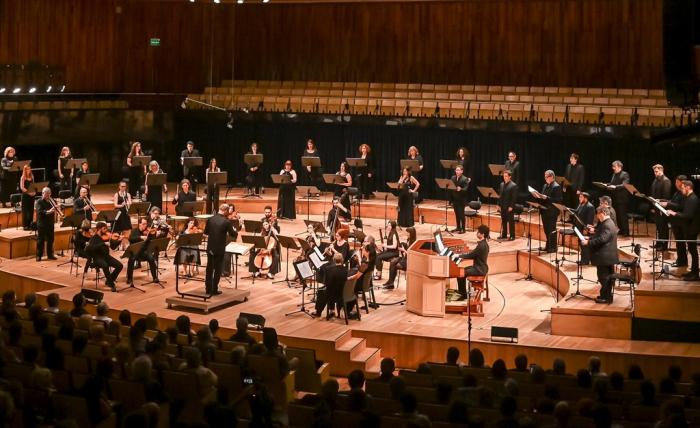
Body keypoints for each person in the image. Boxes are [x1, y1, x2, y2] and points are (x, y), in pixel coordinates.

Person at [581, 207, 619, 304]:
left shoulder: (607, 224)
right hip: (606, 255)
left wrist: (588, 243)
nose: (597, 216)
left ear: (603, 213)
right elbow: (599, 235)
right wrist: (589, 238)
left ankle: (606, 298)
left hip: (605, 256)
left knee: (604, 277)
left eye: (598, 214)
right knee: (604, 276)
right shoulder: (607, 223)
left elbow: (602, 239)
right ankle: (604, 295)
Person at [667, 180, 699, 281]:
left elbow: (688, 216)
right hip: (689, 228)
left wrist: (674, 213)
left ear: (688, 187)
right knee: (691, 250)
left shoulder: (693, 199)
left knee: (693, 252)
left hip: (692, 229)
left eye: (683, 187)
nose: (681, 189)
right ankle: (693, 272)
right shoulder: (689, 198)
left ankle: (695, 274)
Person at [204, 204, 238, 295]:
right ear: (226, 211)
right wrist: (235, 230)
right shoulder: (226, 222)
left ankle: (207, 289)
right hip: (219, 249)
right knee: (218, 269)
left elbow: (206, 232)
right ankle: (214, 289)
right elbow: (233, 234)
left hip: (210, 247)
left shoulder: (210, 219)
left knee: (209, 269)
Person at [456, 225, 490, 299]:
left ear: (482, 234)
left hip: (479, 269)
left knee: (460, 274)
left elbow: (471, 255)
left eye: (478, 232)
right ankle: (462, 292)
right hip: (481, 267)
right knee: (462, 270)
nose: (477, 233)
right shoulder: (484, 244)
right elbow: (474, 254)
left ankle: (463, 295)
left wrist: (459, 256)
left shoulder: (481, 246)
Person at [87, 222, 123, 291]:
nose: (106, 230)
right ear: (99, 229)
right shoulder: (94, 238)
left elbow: (113, 247)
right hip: (98, 258)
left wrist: (119, 241)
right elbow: (91, 248)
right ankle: (111, 284)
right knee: (105, 265)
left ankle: (109, 280)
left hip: (106, 257)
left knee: (120, 265)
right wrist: (103, 244)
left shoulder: (107, 236)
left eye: (106, 228)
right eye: (104, 229)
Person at [662, 175, 688, 267]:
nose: (675, 184)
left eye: (677, 182)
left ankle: (682, 262)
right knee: (678, 243)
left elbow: (680, 206)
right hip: (675, 220)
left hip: (680, 221)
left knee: (681, 243)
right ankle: (680, 260)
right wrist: (663, 201)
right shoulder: (677, 192)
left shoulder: (684, 193)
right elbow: (673, 202)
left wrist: (668, 204)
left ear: (682, 182)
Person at [535, 170, 563, 253]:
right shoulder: (545, 186)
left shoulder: (556, 186)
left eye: (546, 176)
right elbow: (543, 197)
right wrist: (538, 196)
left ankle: (553, 247)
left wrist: (546, 198)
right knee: (546, 230)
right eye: (545, 176)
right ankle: (548, 246)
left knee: (551, 230)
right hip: (544, 211)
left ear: (551, 177)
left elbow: (558, 200)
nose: (545, 178)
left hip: (552, 212)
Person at [126, 218, 160, 285]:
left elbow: (152, 241)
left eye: (146, 224)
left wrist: (155, 235)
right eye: (143, 224)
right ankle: (129, 278)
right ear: (139, 224)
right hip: (135, 252)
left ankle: (155, 277)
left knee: (151, 258)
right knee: (131, 260)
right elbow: (130, 239)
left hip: (144, 252)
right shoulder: (134, 231)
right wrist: (140, 237)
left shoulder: (148, 232)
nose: (145, 225)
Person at [314, 253, 348, 319]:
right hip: (342, 293)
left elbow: (328, 284)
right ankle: (332, 311)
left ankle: (318, 312)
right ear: (342, 260)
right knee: (331, 289)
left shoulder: (329, 269)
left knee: (321, 292)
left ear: (333, 259)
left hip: (333, 295)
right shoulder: (345, 269)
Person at [649, 164, 673, 250]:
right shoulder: (655, 180)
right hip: (656, 206)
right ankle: (659, 243)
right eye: (654, 172)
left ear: (661, 170)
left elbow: (666, 196)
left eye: (657, 172)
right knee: (659, 226)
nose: (655, 173)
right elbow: (653, 192)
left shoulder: (666, 181)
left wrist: (659, 202)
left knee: (663, 226)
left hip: (662, 207)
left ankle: (664, 245)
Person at [607, 160, 631, 236]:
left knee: (622, 215)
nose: (613, 168)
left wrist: (615, 187)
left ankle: (626, 232)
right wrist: (606, 185)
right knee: (617, 215)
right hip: (615, 198)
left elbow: (625, 185)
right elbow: (612, 183)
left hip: (622, 199)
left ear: (619, 167)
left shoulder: (625, 174)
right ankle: (621, 229)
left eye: (615, 166)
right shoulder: (614, 174)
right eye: (613, 166)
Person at [35, 187, 58, 261]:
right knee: (40, 240)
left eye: (49, 194)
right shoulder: (39, 201)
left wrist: (57, 208)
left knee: (51, 239)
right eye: (46, 194)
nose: (47, 195)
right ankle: (39, 255)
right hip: (42, 224)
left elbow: (56, 210)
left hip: (50, 223)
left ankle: (50, 254)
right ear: (42, 193)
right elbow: (40, 212)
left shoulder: (52, 201)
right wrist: (50, 211)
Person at [574, 192, 595, 264]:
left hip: (584, 229)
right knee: (581, 244)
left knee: (584, 245)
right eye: (579, 197)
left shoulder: (590, 207)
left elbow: (589, 220)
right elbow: (576, 211)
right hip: (579, 227)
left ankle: (585, 261)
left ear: (585, 198)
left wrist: (586, 230)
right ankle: (583, 259)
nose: (579, 198)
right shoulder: (580, 204)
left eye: (581, 197)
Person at [498, 170, 518, 240]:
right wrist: (498, 205)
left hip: (509, 206)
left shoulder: (513, 185)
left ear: (510, 177)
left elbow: (514, 198)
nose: (505, 177)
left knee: (510, 221)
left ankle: (512, 236)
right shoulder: (501, 184)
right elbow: (500, 196)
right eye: (504, 176)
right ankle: (504, 234)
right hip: (502, 205)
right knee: (503, 221)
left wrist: (511, 206)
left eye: (506, 176)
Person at [450, 165, 470, 233]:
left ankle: (463, 229)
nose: (457, 171)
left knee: (461, 214)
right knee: (456, 214)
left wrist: (461, 189)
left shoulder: (465, 179)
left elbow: (466, 188)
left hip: (461, 200)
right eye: (456, 170)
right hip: (455, 199)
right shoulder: (453, 178)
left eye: (459, 170)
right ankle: (458, 227)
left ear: (462, 171)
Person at [19, 164, 35, 230]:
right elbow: (22, 187)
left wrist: (34, 192)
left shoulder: (32, 177)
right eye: (27, 169)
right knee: (25, 211)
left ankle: (30, 224)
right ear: (24, 170)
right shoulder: (23, 177)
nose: (28, 170)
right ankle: (25, 225)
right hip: (25, 196)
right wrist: (29, 192)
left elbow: (33, 186)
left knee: (31, 210)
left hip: (31, 196)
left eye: (29, 169)